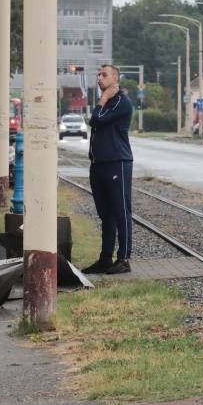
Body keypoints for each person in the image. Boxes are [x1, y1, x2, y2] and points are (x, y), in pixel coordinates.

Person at [84, 63, 134, 275]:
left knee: (121, 211)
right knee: (106, 215)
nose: (99, 78)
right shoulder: (106, 103)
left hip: (117, 163)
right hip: (98, 165)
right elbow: (94, 121)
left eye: (104, 75)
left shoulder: (121, 101)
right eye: (98, 75)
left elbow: (96, 120)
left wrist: (103, 100)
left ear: (115, 79)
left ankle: (124, 258)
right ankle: (105, 258)